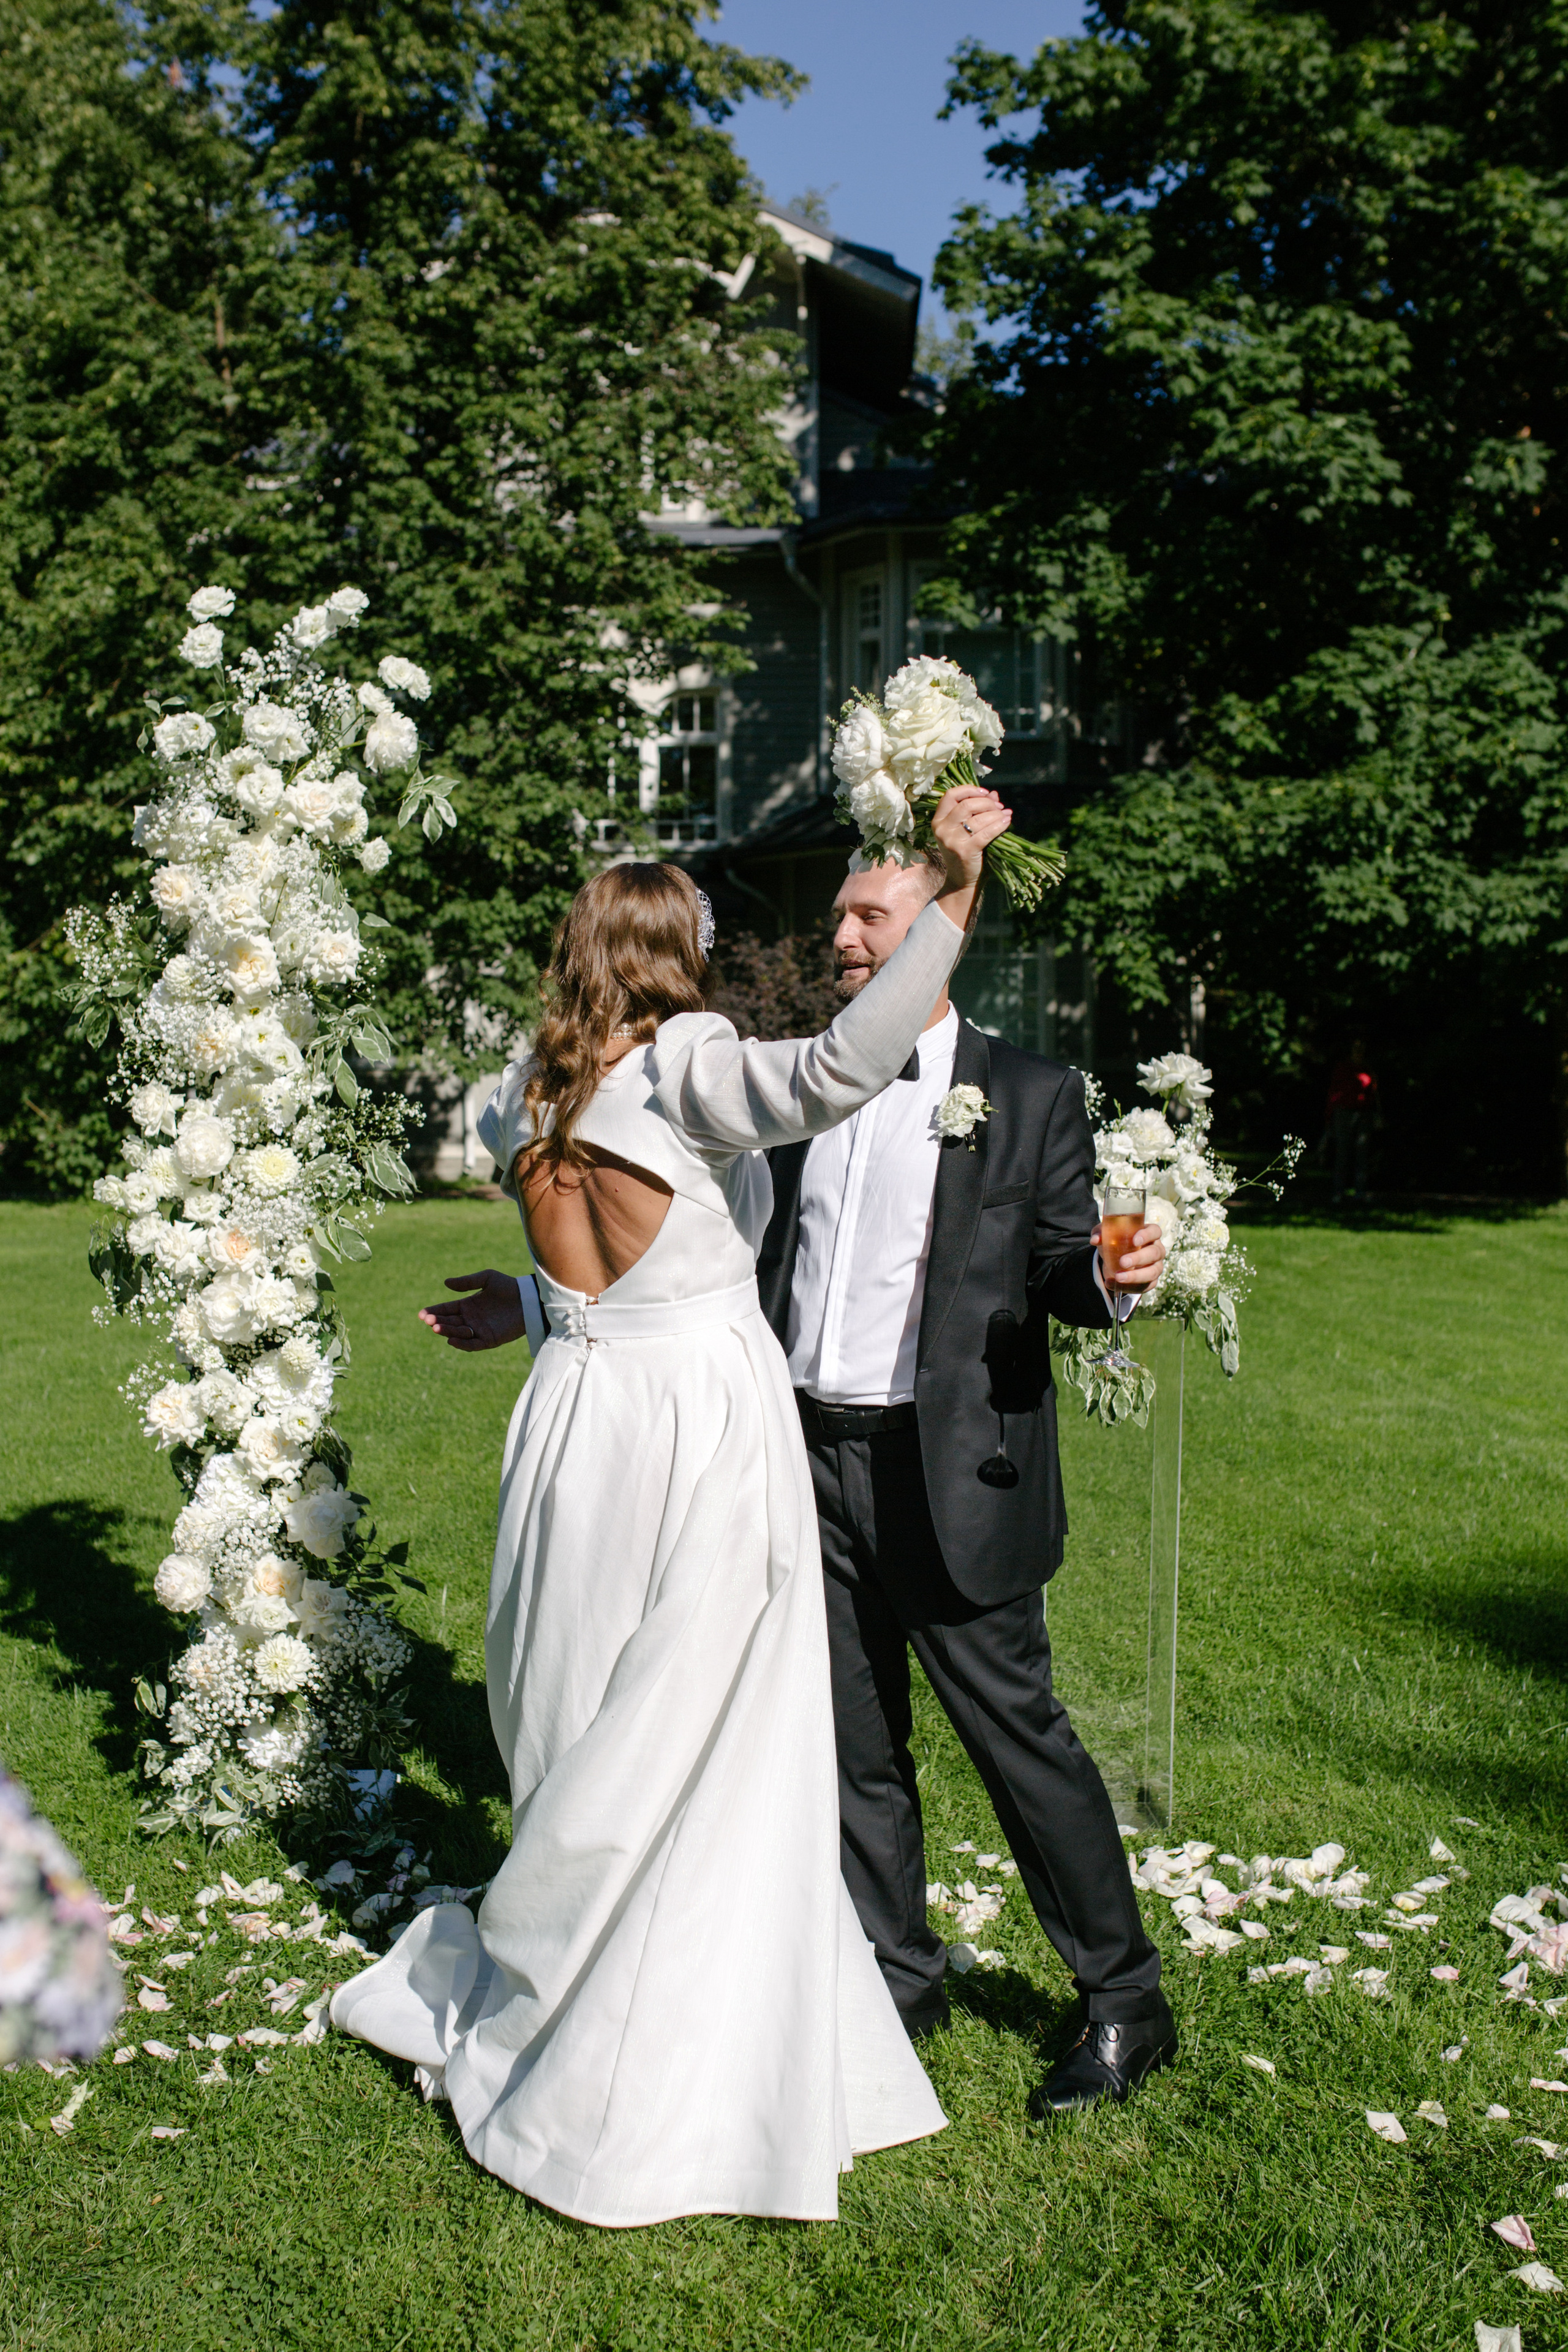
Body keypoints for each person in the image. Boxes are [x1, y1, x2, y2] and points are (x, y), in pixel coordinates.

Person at [330, 785, 1011, 2228]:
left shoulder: (533, 1088)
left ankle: (555, 1966)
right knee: (705, 1727)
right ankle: (650, 2043)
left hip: (575, 1421)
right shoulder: (689, 1059)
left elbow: (610, 1261)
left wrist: (526, 1302)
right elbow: (838, 1068)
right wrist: (951, 896)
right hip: (698, 1421)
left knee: (576, 1707)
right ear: (670, 953)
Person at [754, 852, 1175, 2119]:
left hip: (947, 1473)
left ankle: (1124, 2000)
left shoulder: (1029, 1091)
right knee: (850, 1742)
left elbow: (1061, 1266)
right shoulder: (803, 1084)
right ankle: (896, 1981)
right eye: (837, 915)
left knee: (1016, 1740)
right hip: (799, 1453)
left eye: (866, 916)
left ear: (938, 929)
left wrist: (1112, 1276)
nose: (839, 936)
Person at [1325, 1039, 1378, 1204]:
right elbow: (1334, 1093)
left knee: (1362, 1153)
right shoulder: (1343, 1069)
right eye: (1356, 1049)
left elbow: (1373, 1093)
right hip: (1344, 1114)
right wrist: (1330, 1115)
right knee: (1342, 1152)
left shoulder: (1367, 1069)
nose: (1359, 1052)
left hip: (1363, 1114)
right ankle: (1338, 1192)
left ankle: (1360, 1192)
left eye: (1361, 1049)